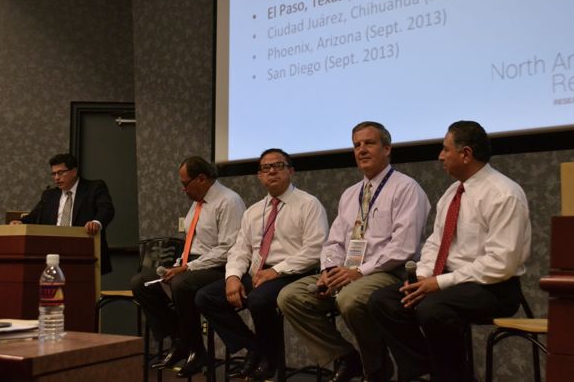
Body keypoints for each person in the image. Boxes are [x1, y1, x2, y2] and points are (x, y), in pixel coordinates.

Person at [367, 120, 532, 382]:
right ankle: (425, 371)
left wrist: (439, 283)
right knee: (383, 301)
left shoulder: (504, 194)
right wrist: (422, 277)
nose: (440, 156)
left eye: (445, 149)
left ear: (465, 154)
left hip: (493, 286)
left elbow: (502, 263)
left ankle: (450, 376)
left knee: (432, 309)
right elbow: (435, 242)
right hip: (448, 281)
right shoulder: (452, 193)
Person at [278, 121, 431, 382]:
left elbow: (403, 248)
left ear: (387, 148)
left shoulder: (406, 188)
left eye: (369, 143)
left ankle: (376, 370)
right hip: (347, 270)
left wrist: (357, 272)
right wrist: (329, 271)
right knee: (290, 296)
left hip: (388, 272)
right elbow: (334, 242)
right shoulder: (350, 194)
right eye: (356, 145)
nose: (361, 150)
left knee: (349, 298)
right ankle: (347, 358)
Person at [195, 148, 329, 381]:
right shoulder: (253, 211)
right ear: (259, 176)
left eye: (278, 166)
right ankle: (255, 347)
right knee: (206, 297)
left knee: (258, 299)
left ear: (291, 171)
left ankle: (269, 358)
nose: (272, 171)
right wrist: (233, 277)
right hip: (258, 272)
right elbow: (240, 250)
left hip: (292, 273)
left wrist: (276, 270)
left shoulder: (309, 204)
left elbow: (316, 250)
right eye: (266, 168)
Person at [130, 156, 245, 375]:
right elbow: (191, 243)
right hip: (193, 264)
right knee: (141, 282)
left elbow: (228, 248)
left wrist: (188, 268)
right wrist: (177, 264)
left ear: (202, 178)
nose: (183, 190)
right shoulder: (197, 205)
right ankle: (179, 340)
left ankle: (196, 349)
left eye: (185, 184)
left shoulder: (229, 201)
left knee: (181, 283)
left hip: (219, 268)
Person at [13, 153, 115, 274]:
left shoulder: (94, 187)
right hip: (53, 252)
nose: (56, 177)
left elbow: (106, 209)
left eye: (60, 173)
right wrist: (21, 222)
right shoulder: (49, 195)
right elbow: (35, 215)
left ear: (74, 171)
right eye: (54, 173)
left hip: (84, 250)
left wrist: (96, 222)